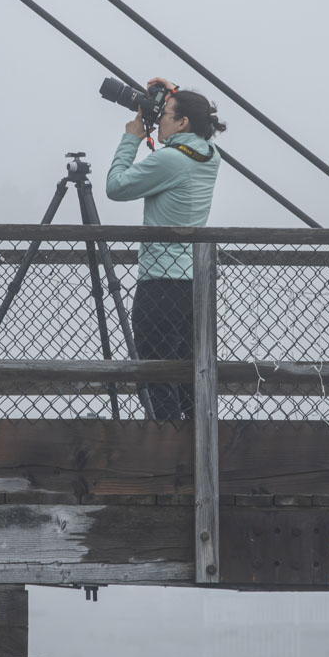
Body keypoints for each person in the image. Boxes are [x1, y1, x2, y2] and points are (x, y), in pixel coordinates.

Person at [106, 78, 225, 420]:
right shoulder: (209, 155)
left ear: (183, 122)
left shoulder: (171, 161)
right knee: (190, 377)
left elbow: (116, 187)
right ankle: (196, 451)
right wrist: (170, 93)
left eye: (167, 114)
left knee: (155, 372)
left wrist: (132, 137)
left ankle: (167, 450)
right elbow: (190, 127)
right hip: (195, 286)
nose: (160, 120)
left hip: (160, 285)